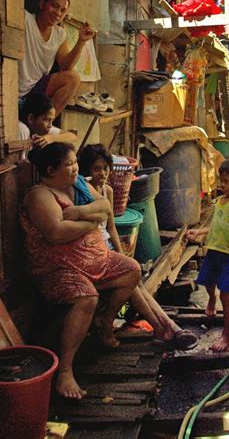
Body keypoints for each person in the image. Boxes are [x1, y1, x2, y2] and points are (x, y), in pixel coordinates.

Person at [20, 142, 141, 400]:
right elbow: (55, 232)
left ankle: (104, 320)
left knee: (131, 270)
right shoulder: (40, 195)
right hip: (58, 269)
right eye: (69, 164)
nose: (75, 168)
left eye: (75, 162)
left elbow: (106, 208)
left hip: (94, 261)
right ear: (51, 170)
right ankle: (65, 371)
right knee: (87, 297)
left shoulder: (77, 186)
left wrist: (78, 212)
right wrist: (90, 223)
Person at [77, 144, 198, 350]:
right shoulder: (83, 195)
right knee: (132, 281)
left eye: (106, 168)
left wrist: (121, 252)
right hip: (93, 253)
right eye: (97, 169)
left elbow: (112, 227)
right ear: (86, 170)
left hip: (107, 249)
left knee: (135, 279)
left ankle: (167, 327)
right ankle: (163, 327)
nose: (103, 174)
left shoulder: (107, 190)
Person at [187, 157, 229, 352]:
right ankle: (210, 299)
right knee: (207, 282)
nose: (222, 185)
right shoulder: (220, 201)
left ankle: (226, 333)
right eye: (221, 181)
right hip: (213, 250)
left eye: (227, 181)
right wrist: (199, 232)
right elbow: (217, 224)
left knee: (226, 295)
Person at [18, 0, 95, 115]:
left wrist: (81, 41)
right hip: (13, 87)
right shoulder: (25, 19)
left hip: (36, 90)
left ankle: (44, 124)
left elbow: (66, 66)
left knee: (73, 77)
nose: (58, 13)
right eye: (55, 6)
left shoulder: (59, 34)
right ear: (42, 4)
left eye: (63, 10)